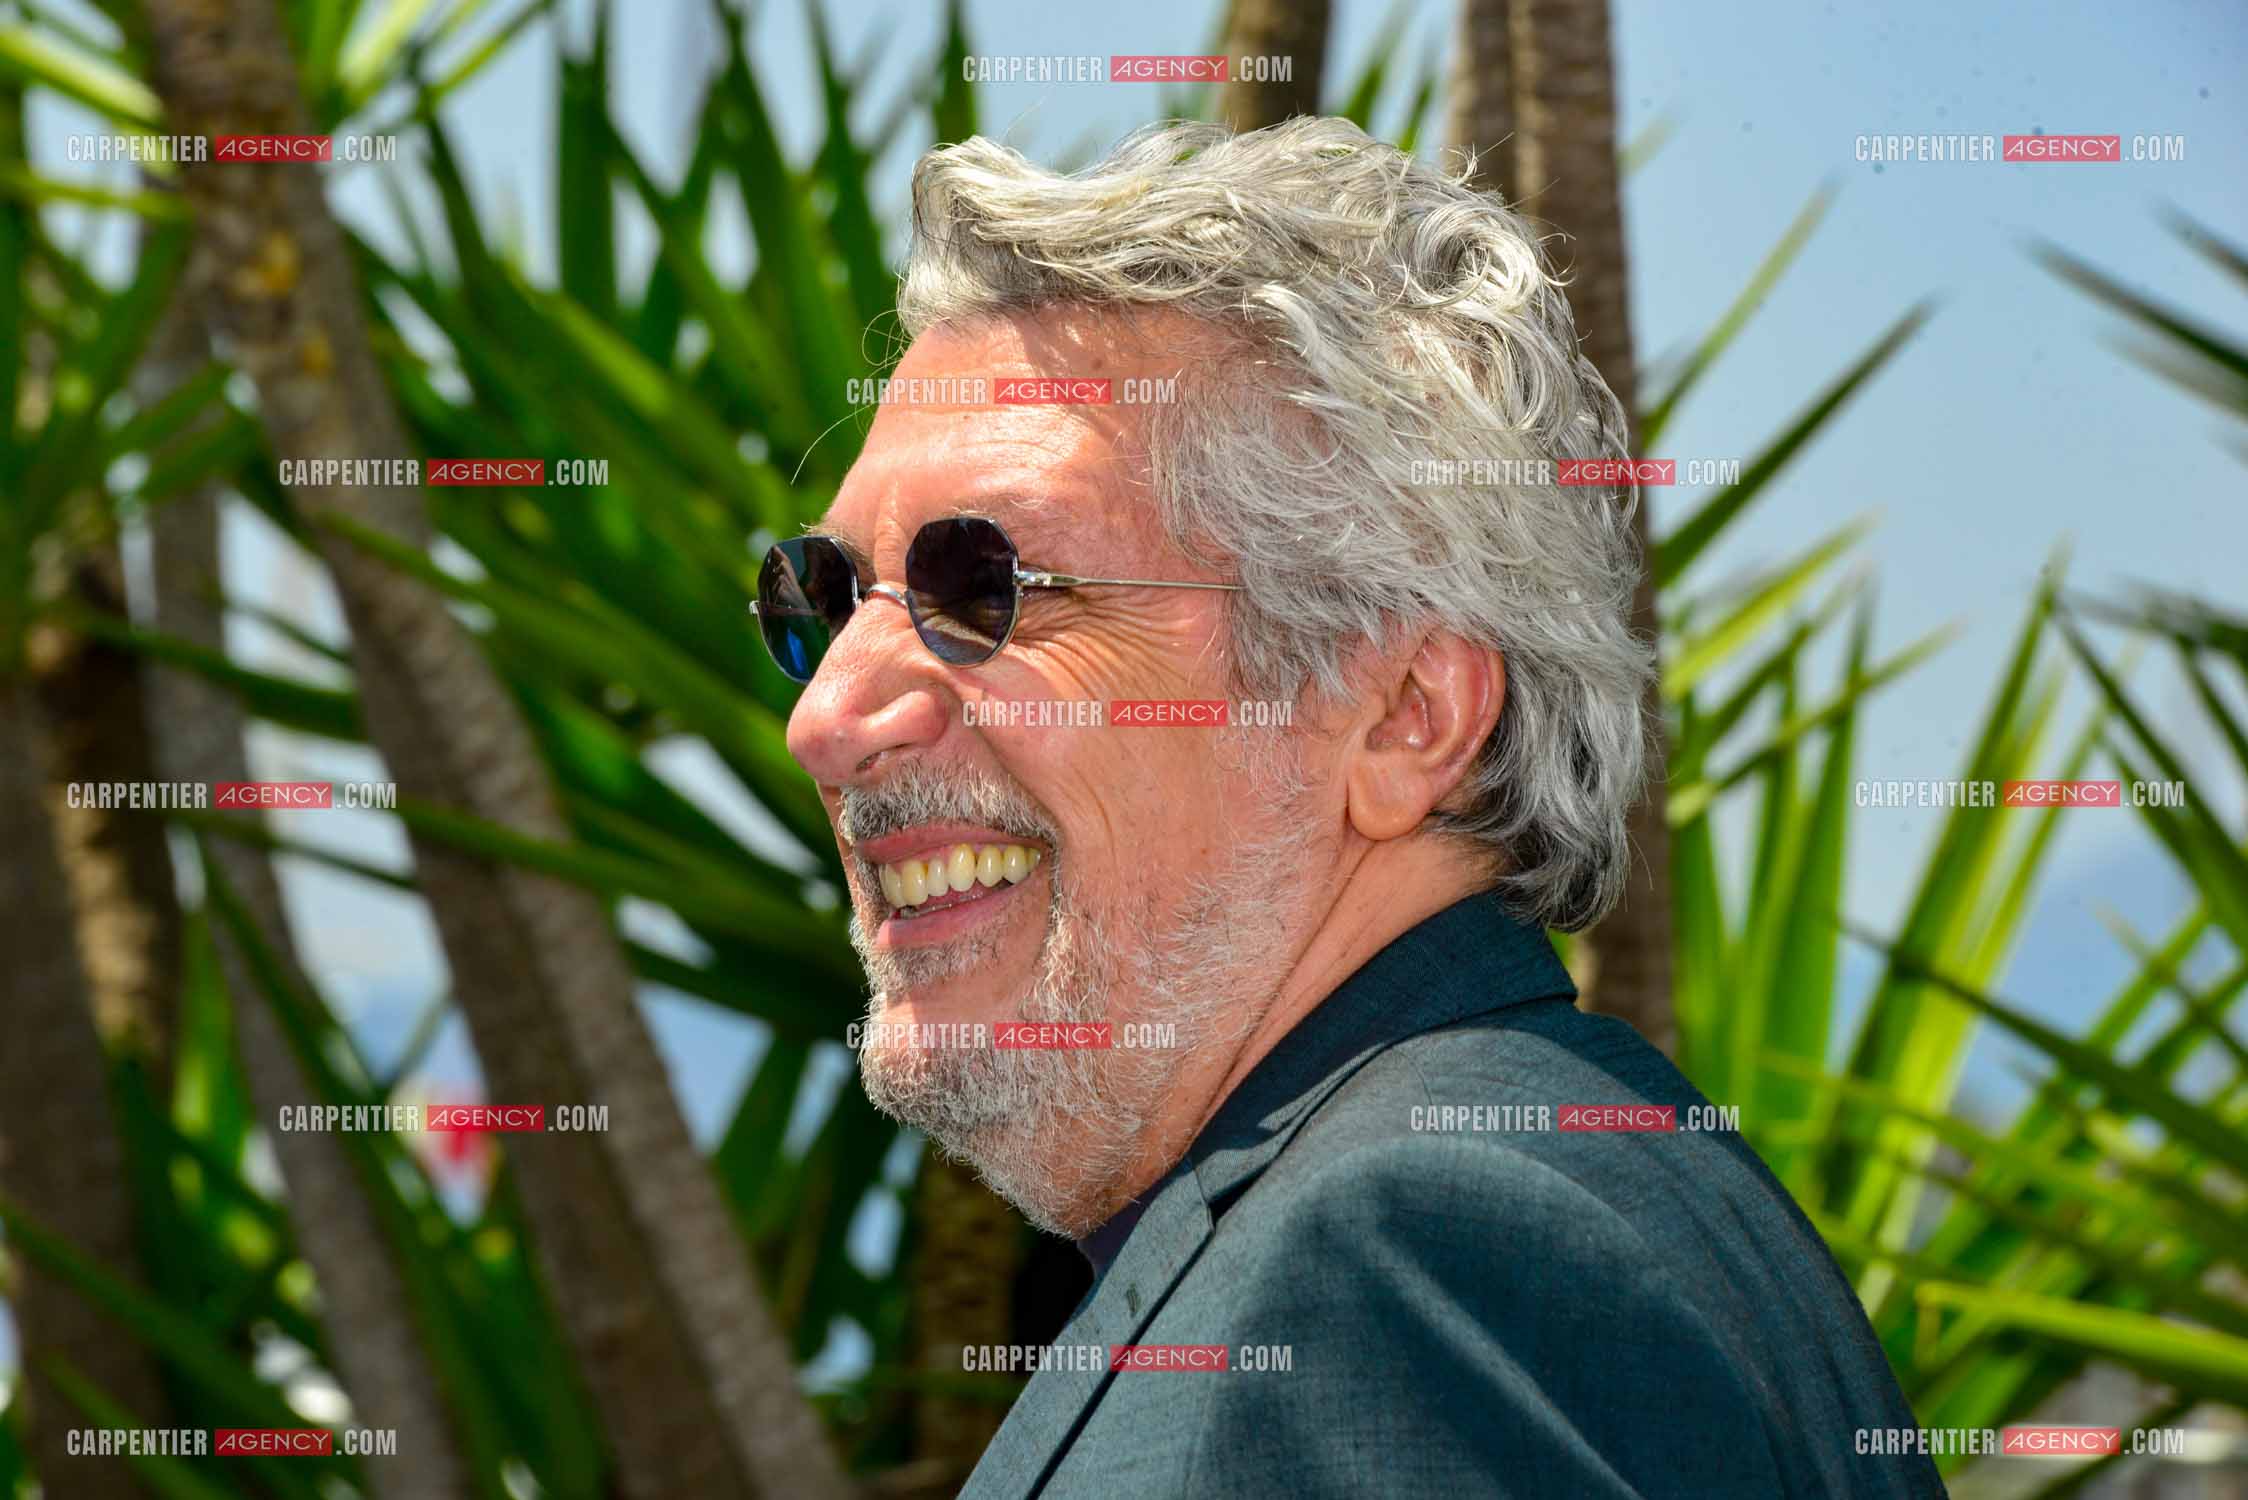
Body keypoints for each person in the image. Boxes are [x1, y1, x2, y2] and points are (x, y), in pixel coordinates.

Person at [755, 116, 1944, 1499]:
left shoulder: (1402, 1261)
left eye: (989, 587)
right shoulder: (1523, 1189)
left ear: (1406, 717)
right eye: (823, 600)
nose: (826, 719)